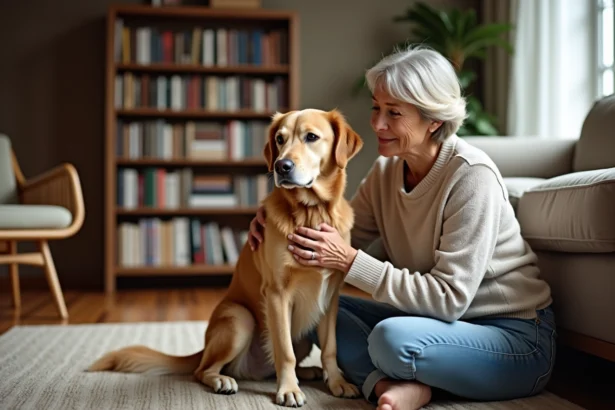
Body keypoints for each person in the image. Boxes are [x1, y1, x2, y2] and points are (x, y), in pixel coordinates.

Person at [247, 45, 556, 410]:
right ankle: (392, 386)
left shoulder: (473, 177)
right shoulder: (385, 171)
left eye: (393, 113)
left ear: (434, 120)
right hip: (433, 325)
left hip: (513, 336)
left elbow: (448, 300)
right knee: (313, 312)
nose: (377, 123)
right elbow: (339, 239)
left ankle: (408, 381)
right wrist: (275, 226)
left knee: (391, 340)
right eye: (377, 108)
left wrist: (349, 260)